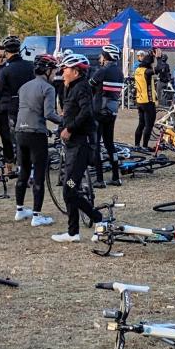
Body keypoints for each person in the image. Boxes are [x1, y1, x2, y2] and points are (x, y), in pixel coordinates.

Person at [52, 52, 105, 243]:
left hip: (81, 147)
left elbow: (86, 112)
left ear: (75, 71)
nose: (63, 72)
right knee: (69, 188)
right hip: (72, 146)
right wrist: (61, 128)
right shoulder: (71, 87)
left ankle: (100, 220)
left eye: (65, 69)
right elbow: (70, 113)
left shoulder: (81, 87)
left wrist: (70, 129)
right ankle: (72, 232)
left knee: (69, 189)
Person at [13, 55, 59, 227]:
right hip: (36, 134)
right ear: (47, 71)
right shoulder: (48, 88)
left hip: (20, 131)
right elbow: (49, 114)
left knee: (23, 171)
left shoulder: (24, 86)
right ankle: (37, 215)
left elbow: (27, 110)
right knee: (39, 173)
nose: (55, 73)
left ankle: (19, 210)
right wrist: (65, 122)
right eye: (54, 70)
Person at [0, 37, 35, 178]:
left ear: (6, 52)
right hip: (31, 104)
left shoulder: (5, 70)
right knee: (32, 136)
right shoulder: (30, 65)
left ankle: (23, 169)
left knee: (18, 139)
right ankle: (33, 170)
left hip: (14, 106)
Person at [92, 45, 126, 186]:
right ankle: (115, 177)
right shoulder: (120, 73)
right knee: (109, 143)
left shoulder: (102, 71)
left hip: (99, 110)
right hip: (112, 111)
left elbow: (90, 85)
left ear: (106, 57)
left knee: (97, 144)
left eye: (102, 55)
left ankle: (99, 179)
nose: (100, 57)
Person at [132, 48, 158, 149]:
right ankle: (145, 146)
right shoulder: (147, 71)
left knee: (141, 124)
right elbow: (159, 68)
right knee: (149, 125)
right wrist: (158, 58)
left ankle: (137, 144)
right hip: (148, 101)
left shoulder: (138, 70)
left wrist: (152, 55)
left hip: (139, 100)